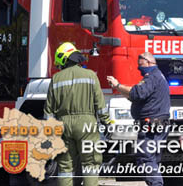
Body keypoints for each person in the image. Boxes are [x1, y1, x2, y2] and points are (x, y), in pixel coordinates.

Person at [44, 43, 111, 186]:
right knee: (90, 164)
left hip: (63, 126)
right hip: (87, 125)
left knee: (65, 167)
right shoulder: (91, 76)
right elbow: (100, 106)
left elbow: (49, 111)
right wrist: (107, 124)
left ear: (64, 60)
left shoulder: (56, 79)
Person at [107, 52, 170, 186]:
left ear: (148, 62)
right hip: (158, 124)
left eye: (140, 64)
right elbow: (135, 97)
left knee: (145, 157)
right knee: (153, 159)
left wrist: (117, 85)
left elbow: (136, 92)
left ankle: (156, 184)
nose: (139, 68)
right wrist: (119, 89)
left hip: (151, 126)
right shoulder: (158, 76)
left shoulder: (152, 77)